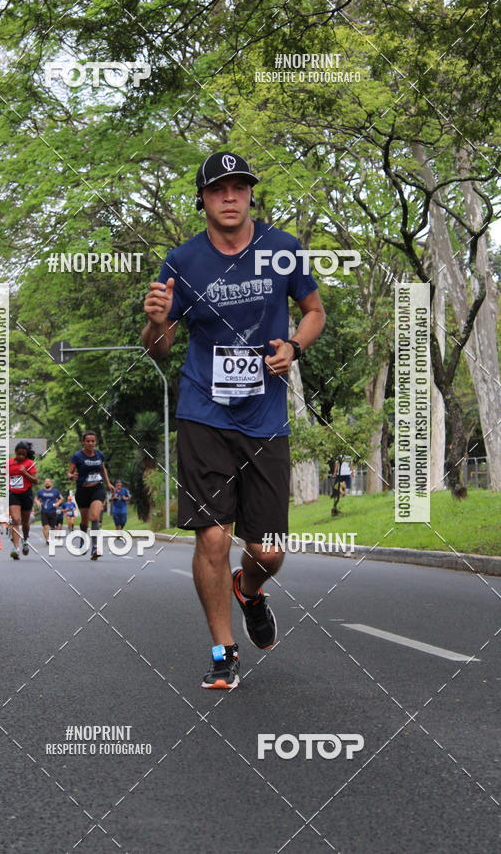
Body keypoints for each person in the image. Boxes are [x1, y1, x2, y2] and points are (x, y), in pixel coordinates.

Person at [142, 151, 325, 689]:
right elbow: (158, 348)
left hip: (265, 416)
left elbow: (314, 312)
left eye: (239, 187)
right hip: (203, 412)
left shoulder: (282, 249)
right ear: (202, 199)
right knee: (213, 539)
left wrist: (294, 346)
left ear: (250, 195)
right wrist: (155, 323)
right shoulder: (182, 261)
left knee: (267, 550)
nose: (230, 197)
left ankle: (250, 589)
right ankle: (223, 651)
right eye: (218, 189)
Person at [68, 431, 114, 559]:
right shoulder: (77, 456)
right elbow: (69, 472)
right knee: (84, 521)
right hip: (82, 491)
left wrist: (108, 483)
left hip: (97, 489)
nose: (90, 443)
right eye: (88, 441)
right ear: (83, 442)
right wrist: (71, 476)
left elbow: (102, 469)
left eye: (92, 441)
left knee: (94, 517)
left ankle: (94, 547)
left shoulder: (99, 455)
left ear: (95, 442)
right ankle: (83, 541)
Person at [8, 441, 38, 559]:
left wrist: (25, 473)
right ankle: (15, 549)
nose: (21, 456)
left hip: (26, 494)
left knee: (25, 523)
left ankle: (25, 540)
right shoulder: (9, 463)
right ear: (15, 452)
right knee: (15, 520)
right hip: (13, 494)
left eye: (23, 455)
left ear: (26, 454)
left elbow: (36, 480)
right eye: (19, 454)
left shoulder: (29, 463)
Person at [35, 478, 63, 543]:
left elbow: (61, 499)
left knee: (53, 527)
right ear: (44, 483)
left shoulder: (56, 491)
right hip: (44, 511)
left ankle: (51, 538)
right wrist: (38, 502)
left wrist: (57, 503)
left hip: (53, 511)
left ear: (51, 483)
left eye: (48, 481)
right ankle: (47, 540)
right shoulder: (40, 491)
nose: (47, 483)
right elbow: (36, 498)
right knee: (45, 526)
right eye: (46, 481)